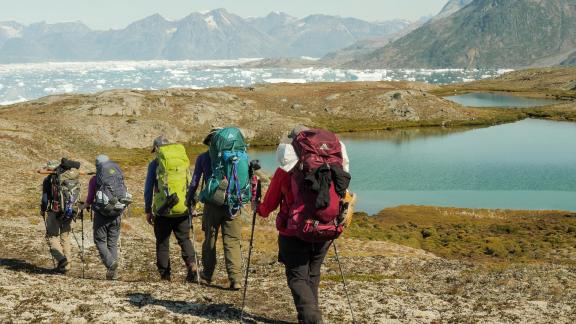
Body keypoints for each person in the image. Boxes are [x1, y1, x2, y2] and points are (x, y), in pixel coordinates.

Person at [256, 142, 331, 324]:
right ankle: (307, 318)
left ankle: (312, 320)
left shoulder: (284, 172)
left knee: (297, 277)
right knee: (312, 275)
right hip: (322, 231)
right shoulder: (325, 166)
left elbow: (268, 207)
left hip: (294, 233)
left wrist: (258, 208)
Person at [186, 128, 243, 290]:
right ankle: (235, 279)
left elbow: (195, 181)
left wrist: (189, 199)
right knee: (232, 241)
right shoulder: (236, 156)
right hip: (233, 204)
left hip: (212, 204)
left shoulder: (203, 157)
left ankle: (208, 274)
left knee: (210, 239)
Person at [144, 136, 198, 282]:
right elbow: (190, 184)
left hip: (163, 210)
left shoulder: (154, 164)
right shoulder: (182, 161)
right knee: (184, 239)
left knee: (162, 242)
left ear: (156, 149)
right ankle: (192, 265)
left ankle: (165, 275)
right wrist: (192, 205)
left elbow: (148, 189)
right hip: (183, 208)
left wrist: (148, 210)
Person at [83, 154, 129, 280]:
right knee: (112, 243)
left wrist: (85, 205)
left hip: (102, 215)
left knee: (100, 240)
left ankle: (110, 264)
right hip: (117, 213)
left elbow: (90, 198)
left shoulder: (94, 179)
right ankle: (113, 274)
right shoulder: (117, 177)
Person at [40, 158, 81, 274]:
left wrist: (43, 210)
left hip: (54, 210)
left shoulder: (49, 179)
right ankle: (66, 266)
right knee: (65, 237)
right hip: (69, 211)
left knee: (52, 236)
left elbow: (45, 199)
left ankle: (62, 260)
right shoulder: (71, 178)